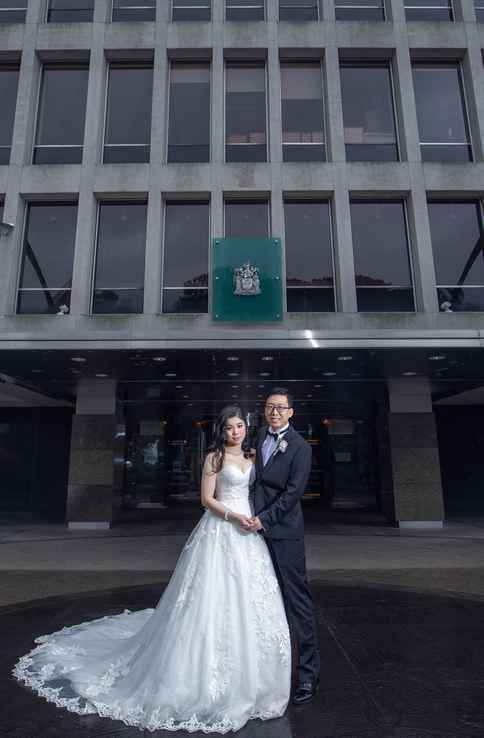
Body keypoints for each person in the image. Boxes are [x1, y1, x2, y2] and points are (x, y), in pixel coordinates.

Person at [12, 406, 290, 734]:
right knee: (209, 597)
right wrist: (233, 517)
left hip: (250, 531)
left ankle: (254, 677)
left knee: (251, 598)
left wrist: (255, 520)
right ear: (222, 431)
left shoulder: (253, 456)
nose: (235, 432)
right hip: (222, 528)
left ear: (246, 427)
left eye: (240, 426)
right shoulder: (214, 458)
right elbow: (206, 499)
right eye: (229, 427)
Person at [248, 388, 320, 705]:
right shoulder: (259, 435)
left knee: (297, 602)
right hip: (252, 532)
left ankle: (308, 676)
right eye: (270, 407)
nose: (274, 412)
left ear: (292, 412)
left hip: (284, 532)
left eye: (281, 408)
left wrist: (265, 518)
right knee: (259, 599)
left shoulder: (301, 447)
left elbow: (293, 494)